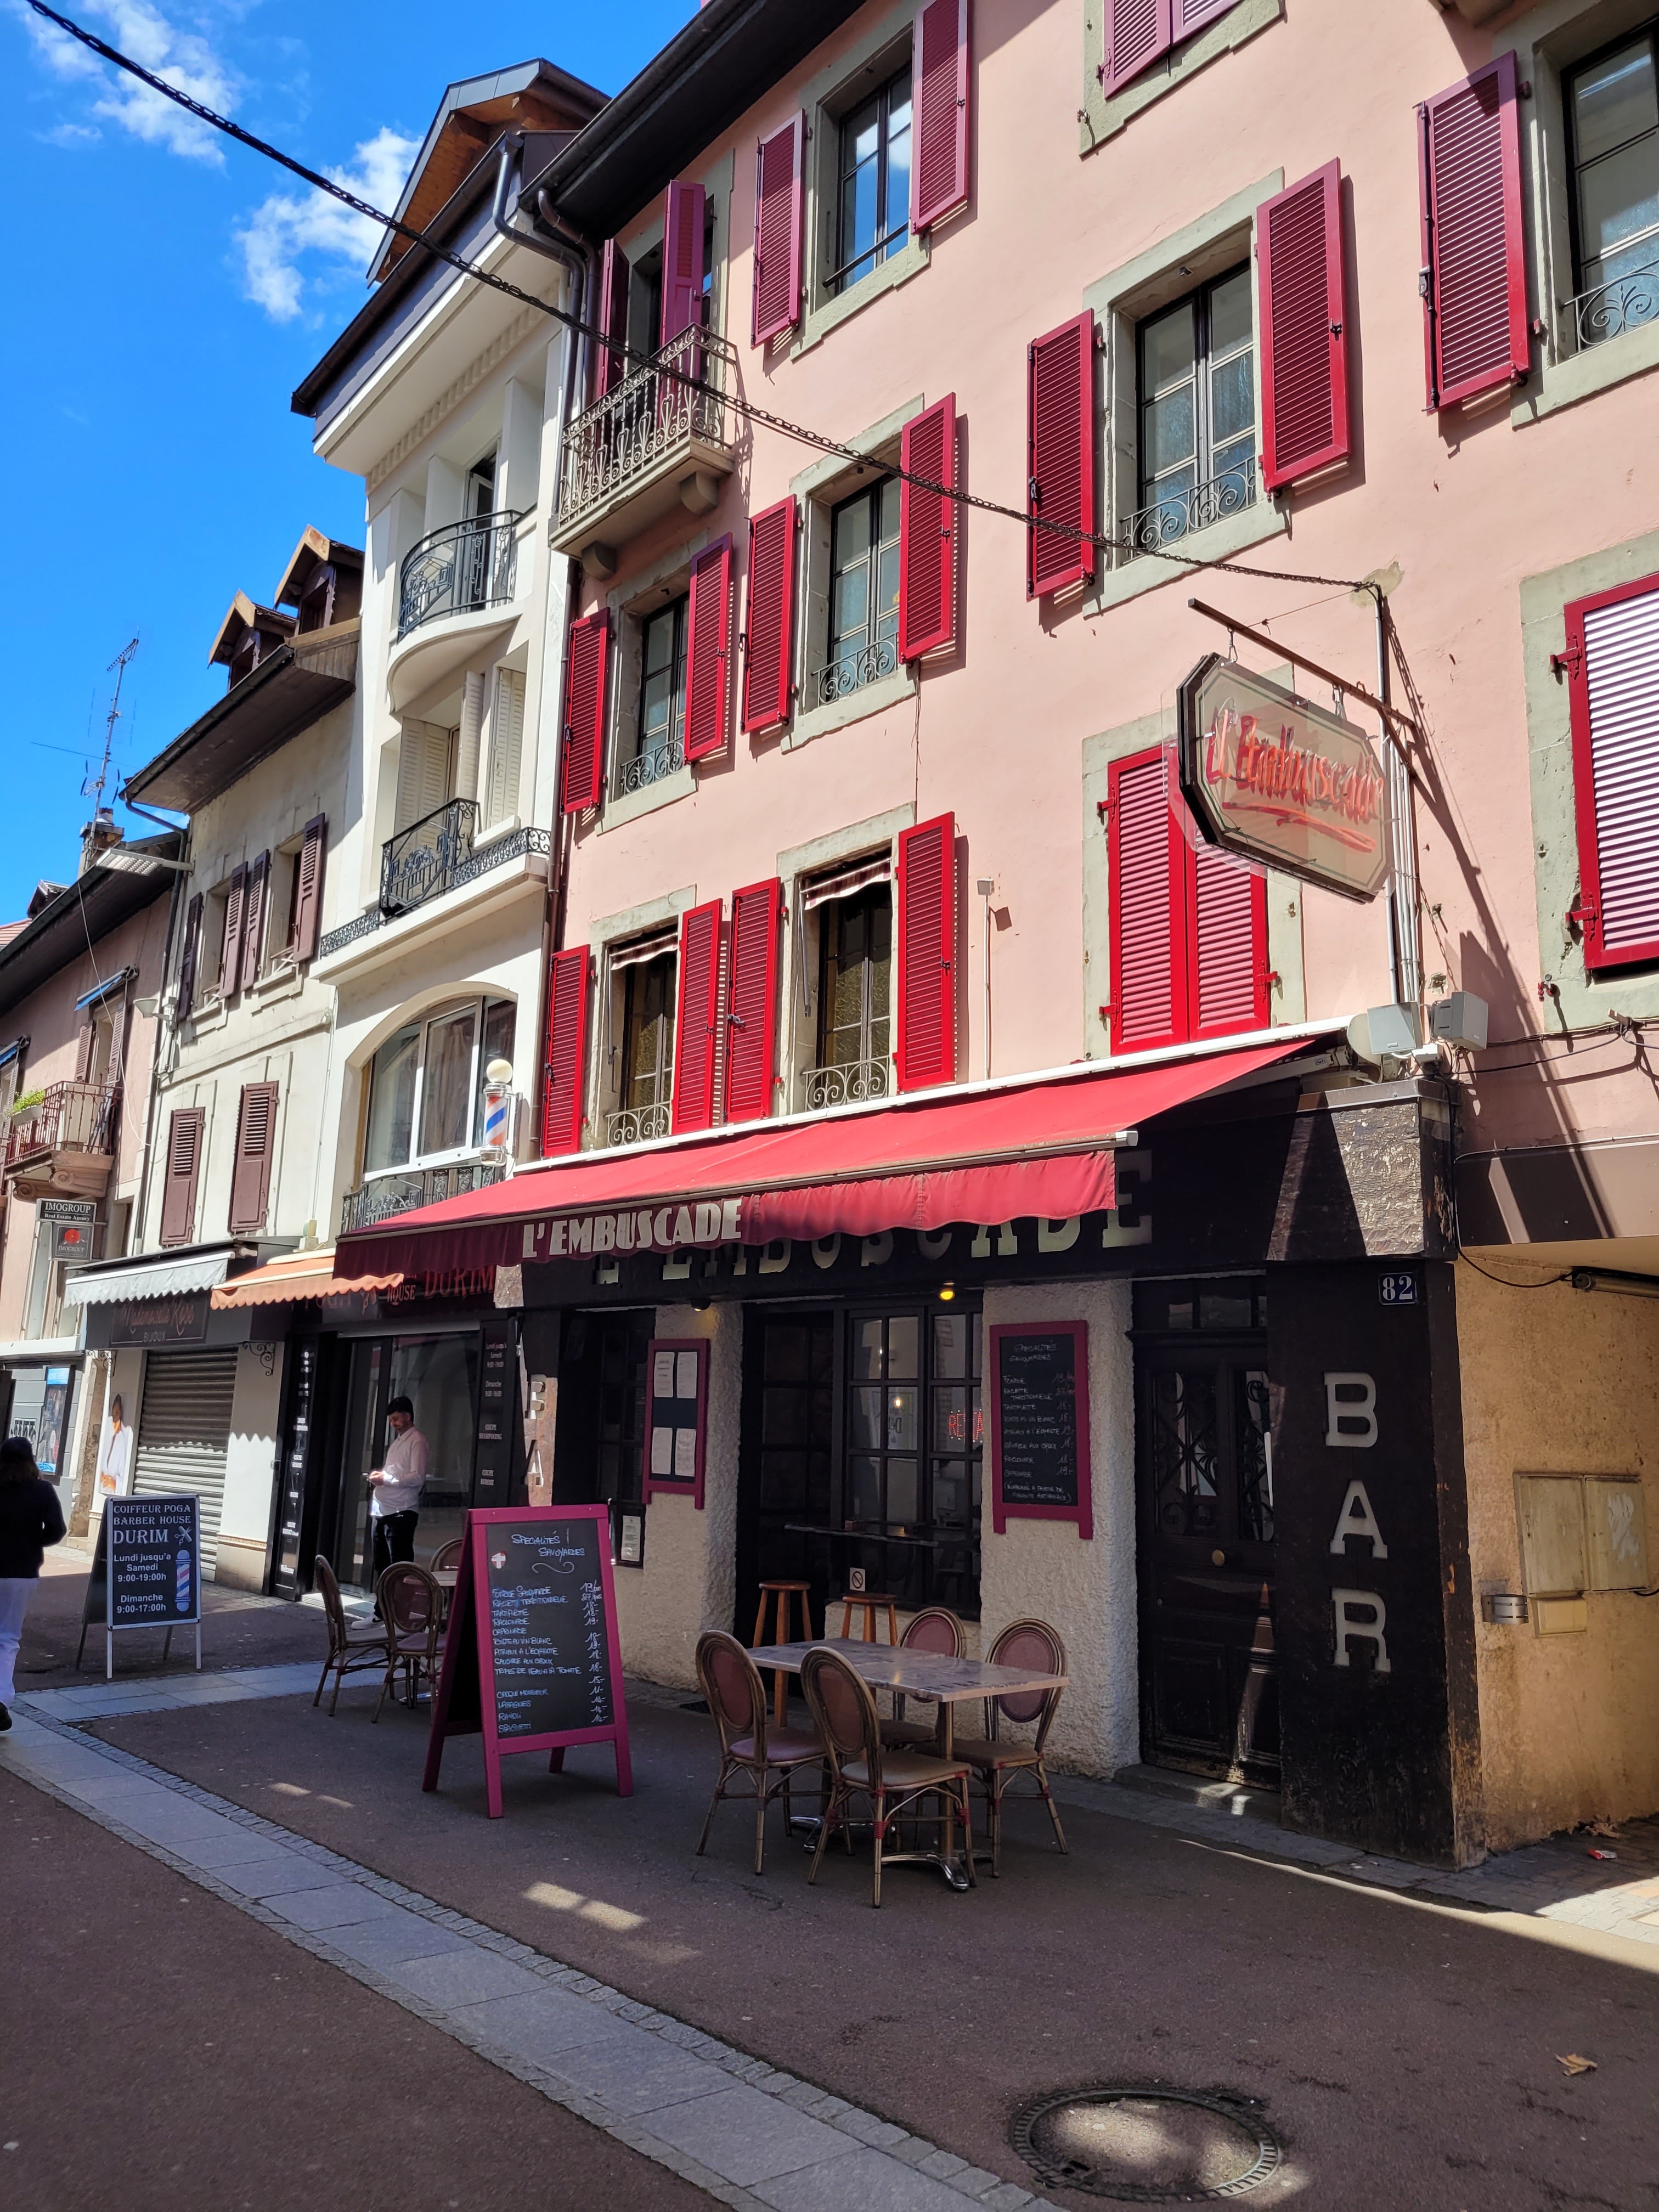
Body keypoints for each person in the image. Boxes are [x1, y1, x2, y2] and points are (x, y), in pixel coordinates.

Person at [0, 1435, 67, 1731]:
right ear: (31, 1461)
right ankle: (1, 1699)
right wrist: (32, 1542)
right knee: (7, 1637)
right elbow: (57, 1530)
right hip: (21, 1573)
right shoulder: (43, 1490)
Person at [368, 1395, 428, 1587]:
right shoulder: (397, 1443)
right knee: (382, 1565)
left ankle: (399, 1605)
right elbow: (395, 1472)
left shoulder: (417, 1441)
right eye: (390, 1420)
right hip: (383, 1511)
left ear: (408, 1416)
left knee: (398, 1567)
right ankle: (382, 1605)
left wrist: (386, 1479)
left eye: (395, 1419)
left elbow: (417, 1477)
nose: (393, 1424)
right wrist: (381, 1476)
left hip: (401, 1511)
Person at [96, 1393, 133, 1503]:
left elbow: (125, 1477)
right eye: (113, 1415)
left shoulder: (123, 1441)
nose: (115, 1418)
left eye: (117, 1414)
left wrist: (114, 1483)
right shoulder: (108, 1436)